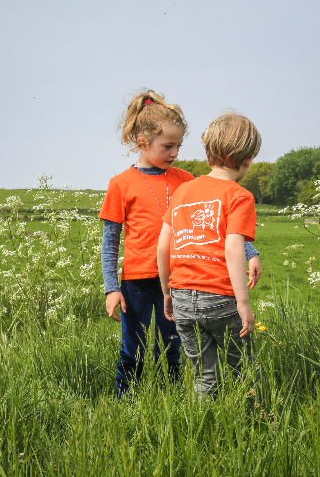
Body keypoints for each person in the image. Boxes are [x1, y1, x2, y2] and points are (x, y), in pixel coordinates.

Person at [100, 91, 262, 397]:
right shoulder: (120, 184)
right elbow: (109, 242)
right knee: (132, 346)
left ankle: (169, 397)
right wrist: (112, 287)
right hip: (136, 280)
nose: (174, 153)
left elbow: (221, 223)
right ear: (142, 142)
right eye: (168, 146)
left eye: (178, 146)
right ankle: (125, 400)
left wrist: (250, 252)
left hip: (178, 280)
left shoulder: (186, 180)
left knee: (173, 346)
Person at [157, 111, 262, 398]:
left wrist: (167, 292)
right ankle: (262, 425)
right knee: (247, 372)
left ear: (207, 151)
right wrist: (243, 303)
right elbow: (232, 248)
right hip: (220, 299)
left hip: (181, 298)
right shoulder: (239, 196)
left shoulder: (183, 192)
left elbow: (163, 247)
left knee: (205, 377)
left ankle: (197, 433)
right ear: (249, 159)